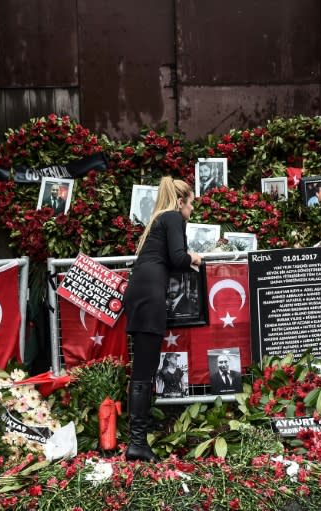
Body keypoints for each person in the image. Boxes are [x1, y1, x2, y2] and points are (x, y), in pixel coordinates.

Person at [123, 176, 201, 461]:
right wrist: (196, 256)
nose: (192, 210)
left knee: (145, 365)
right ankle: (137, 442)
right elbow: (179, 257)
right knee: (144, 370)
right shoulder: (172, 218)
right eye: (191, 204)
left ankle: (139, 436)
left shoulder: (159, 221)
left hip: (142, 294)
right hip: (149, 298)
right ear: (180, 202)